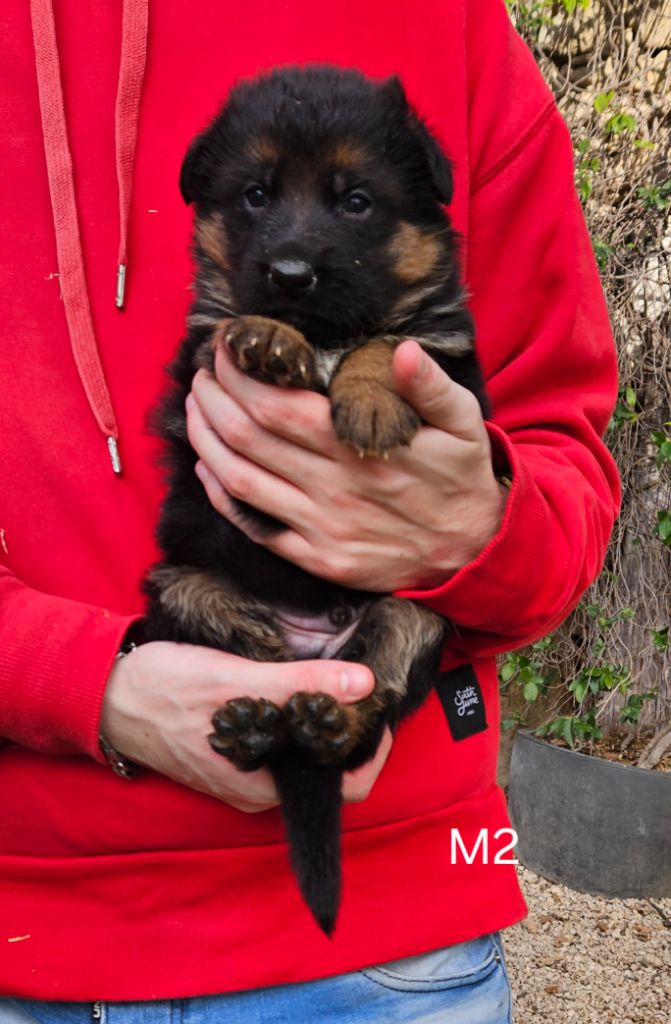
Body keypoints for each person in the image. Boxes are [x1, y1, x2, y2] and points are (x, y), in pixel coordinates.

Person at [0, 0, 620, 1020]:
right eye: (252, 202)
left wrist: (475, 526)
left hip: (388, 955)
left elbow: (565, 462)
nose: (290, 253)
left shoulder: (445, 25)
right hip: (27, 928)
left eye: (353, 203)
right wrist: (82, 680)